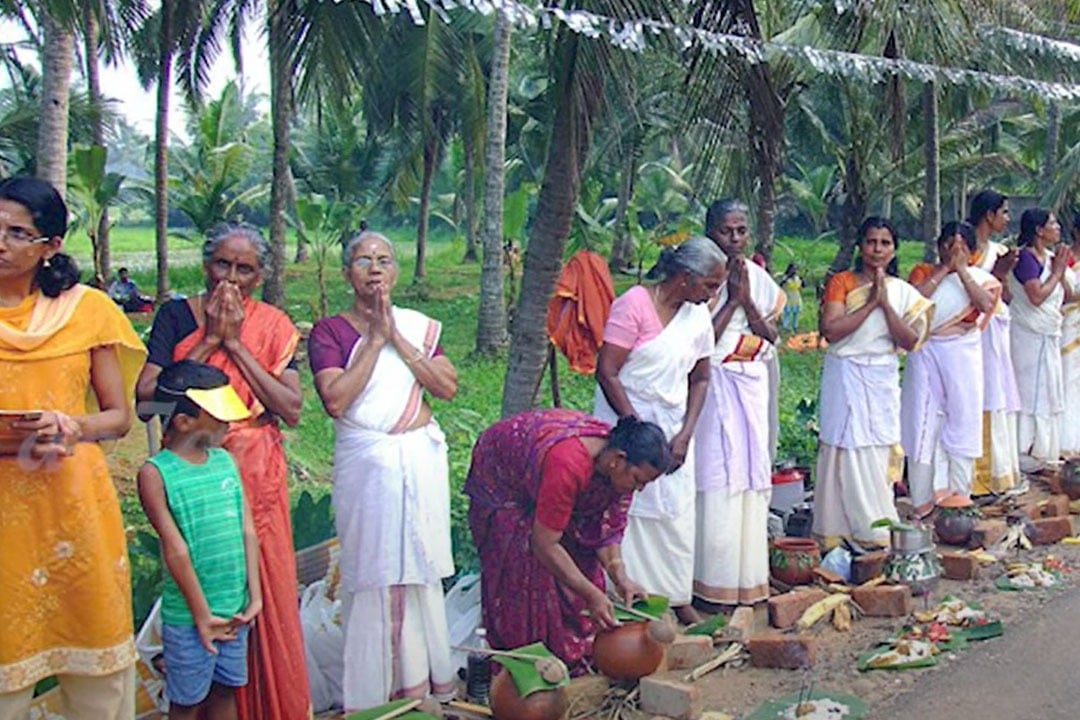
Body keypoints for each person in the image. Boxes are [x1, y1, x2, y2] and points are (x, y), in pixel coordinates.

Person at [135, 223, 310, 720]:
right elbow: (148, 401)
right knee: (199, 575)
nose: (230, 278)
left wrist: (236, 347)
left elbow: (291, 408)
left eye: (245, 269)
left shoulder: (274, 325)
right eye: (222, 265)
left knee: (263, 593)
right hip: (189, 470)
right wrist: (209, 339)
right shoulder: (175, 317)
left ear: (260, 276)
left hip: (253, 470)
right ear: (206, 265)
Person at [0, 177, 146, 719]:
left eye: (18, 232)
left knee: (95, 664)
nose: (2, 242)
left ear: (51, 246)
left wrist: (69, 426)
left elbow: (118, 418)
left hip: (72, 506)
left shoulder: (88, 311)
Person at [308, 231, 458, 711]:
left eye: (384, 259)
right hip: (369, 469)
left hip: (417, 462)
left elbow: (447, 387)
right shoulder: (330, 332)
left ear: (395, 272)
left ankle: (424, 686)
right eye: (363, 260)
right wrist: (374, 340)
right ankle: (377, 694)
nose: (374, 268)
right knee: (373, 577)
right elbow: (335, 400)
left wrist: (395, 335)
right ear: (346, 273)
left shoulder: (415, 326)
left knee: (419, 574)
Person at [464, 410, 671, 669]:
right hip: (503, 483)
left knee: (579, 565)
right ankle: (524, 664)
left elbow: (603, 528)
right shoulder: (568, 465)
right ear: (618, 460)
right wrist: (592, 594)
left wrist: (620, 577)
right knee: (526, 571)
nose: (638, 489)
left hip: (548, 480)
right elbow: (545, 544)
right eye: (638, 480)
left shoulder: (615, 471)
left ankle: (571, 651)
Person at [593, 236, 725, 625]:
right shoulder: (634, 303)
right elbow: (608, 371)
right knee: (626, 510)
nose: (713, 294)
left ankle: (675, 596)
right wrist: (635, 429)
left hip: (673, 426)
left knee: (675, 512)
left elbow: (701, 378)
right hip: (628, 427)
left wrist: (684, 434)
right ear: (684, 277)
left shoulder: (697, 315)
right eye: (710, 285)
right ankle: (628, 601)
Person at [137, 361, 261, 720]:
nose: (227, 424)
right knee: (187, 703)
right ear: (183, 421)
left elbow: (246, 530)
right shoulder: (156, 474)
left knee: (226, 692)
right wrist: (202, 615)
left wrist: (255, 596)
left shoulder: (225, 461)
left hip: (234, 609)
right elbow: (175, 549)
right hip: (190, 617)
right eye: (218, 416)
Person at [812, 217, 933, 547]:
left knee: (877, 446)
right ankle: (838, 531)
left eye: (884, 243)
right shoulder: (843, 282)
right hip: (845, 372)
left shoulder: (902, 291)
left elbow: (910, 341)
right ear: (860, 246)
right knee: (842, 446)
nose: (877, 249)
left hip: (881, 374)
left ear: (894, 249)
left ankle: (874, 530)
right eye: (871, 242)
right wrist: (871, 304)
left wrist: (885, 304)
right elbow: (832, 331)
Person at [695, 199, 785, 607]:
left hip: (751, 384)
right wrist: (730, 299)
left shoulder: (758, 278)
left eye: (740, 231)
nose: (734, 239)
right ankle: (710, 582)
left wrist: (747, 299)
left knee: (750, 477)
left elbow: (770, 335)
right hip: (711, 388)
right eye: (725, 231)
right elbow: (698, 345)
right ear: (709, 230)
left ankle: (747, 579)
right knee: (717, 479)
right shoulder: (696, 276)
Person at [901, 222, 1000, 516]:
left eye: (961, 247)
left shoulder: (983, 279)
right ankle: (922, 500)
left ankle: (959, 498)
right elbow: (914, 304)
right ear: (939, 246)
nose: (954, 251)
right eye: (949, 245)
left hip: (962, 353)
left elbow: (984, 304)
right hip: (926, 352)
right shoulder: (923, 273)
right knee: (921, 419)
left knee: (963, 418)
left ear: (971, 251)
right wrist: (945, 269)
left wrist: (963, 271)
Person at [967, 190, 1021, 495]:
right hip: (975, 330)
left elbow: (1008, 296)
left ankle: (1000, 470)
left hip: (998, 327)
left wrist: (1003, 275)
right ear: (989, 214)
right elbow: (964, 286)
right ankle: (979, 474)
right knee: (981, 392)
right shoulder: (969, 247)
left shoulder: (999, 249)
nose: (1007, 219)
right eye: (1004, 213)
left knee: (997, 392)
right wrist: (996, 273)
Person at [1009, 209, 1070, 472]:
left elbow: (1065, 294)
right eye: (1053, 224)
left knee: (1047, 390)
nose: (1057, 228)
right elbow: (1035, 297)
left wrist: (1061, 270)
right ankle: (1026, 450)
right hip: (1029, 335)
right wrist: (1057, 271)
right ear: (1038, 230)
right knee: (1031, 392)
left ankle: (1044, 450)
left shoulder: (1049, 258)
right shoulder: (1026, 258)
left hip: (1048, 332)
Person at [1060, 213, 1080, 458]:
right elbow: (1059, 293)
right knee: (1069, 380)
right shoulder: (1065, 259)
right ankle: (1068, 440)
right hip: (1069, 325)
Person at [779, 263, 803, 333]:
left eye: (795, 269)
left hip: (796, 297)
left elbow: (802, 286)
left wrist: (802, 280)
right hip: (788, 296)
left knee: (796, 313)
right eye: (792, 269)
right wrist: (785, 280)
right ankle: (785, 326)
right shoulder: (785, 278)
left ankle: (795, 325)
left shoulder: (797, 278)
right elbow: (781, 285)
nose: (794, 271)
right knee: (787, 313)